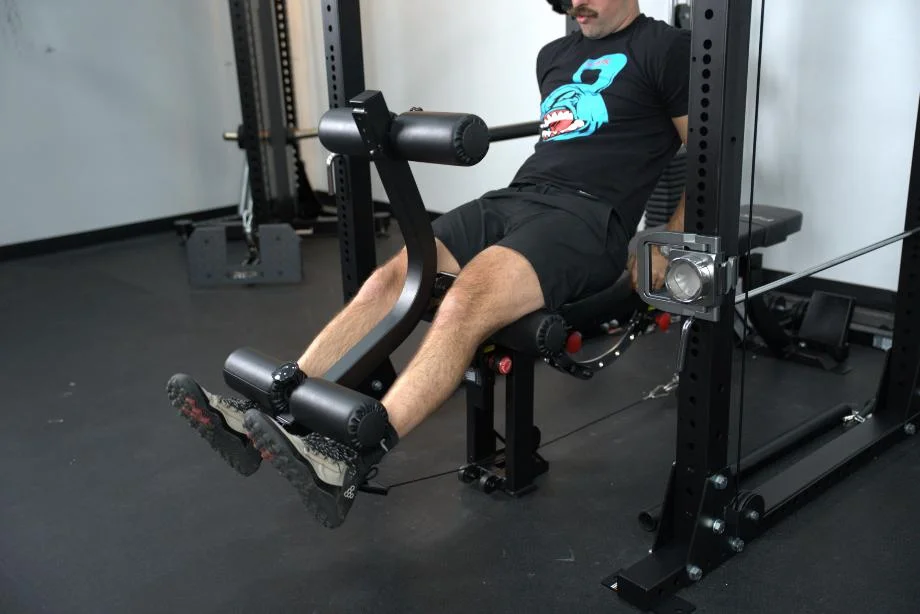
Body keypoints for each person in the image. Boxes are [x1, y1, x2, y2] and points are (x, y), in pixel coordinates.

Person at [166, 0, 690, 529]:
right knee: (393, 278)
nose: (575, 3)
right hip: (516, 196)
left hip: (588, 218)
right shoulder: (554, 54)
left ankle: (347, 463)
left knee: (467, 297)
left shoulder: (666, 50)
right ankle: (273, 410)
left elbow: (707, 152)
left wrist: (668, 239)